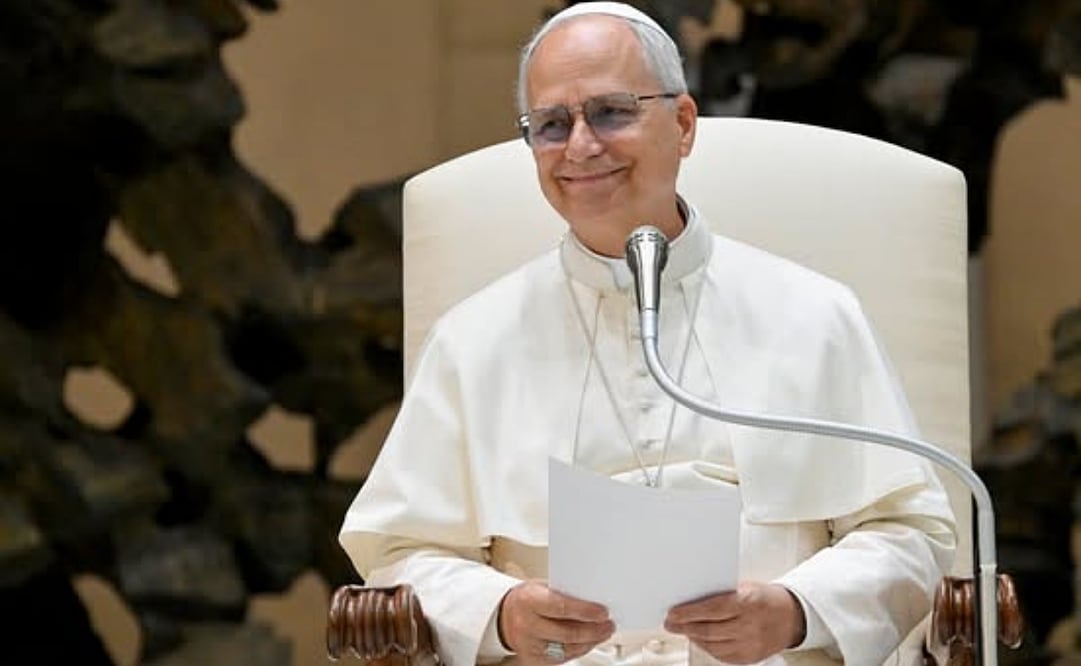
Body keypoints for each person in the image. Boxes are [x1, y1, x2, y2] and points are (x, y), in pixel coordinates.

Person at [339, 3, 956, 665]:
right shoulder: (473, 341)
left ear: (683, 124)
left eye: (610, 112)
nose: (580, 146)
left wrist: (796, 611)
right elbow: (400, 553)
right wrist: (500, 614)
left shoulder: (814, 315)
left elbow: (910, 533)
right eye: (551, 125)